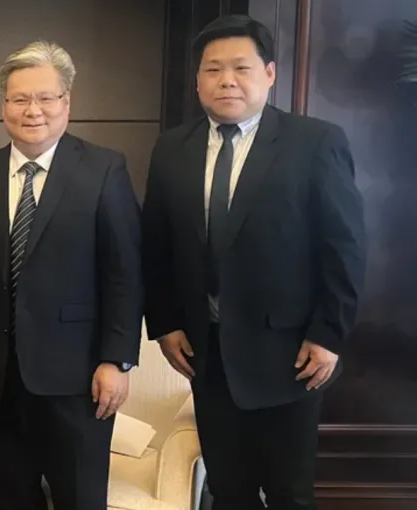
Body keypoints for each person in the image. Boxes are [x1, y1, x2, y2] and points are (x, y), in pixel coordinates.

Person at [142, 15, 366, 510]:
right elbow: (156, 245)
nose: (226, 80)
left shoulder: (315, 142)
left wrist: (328, 334)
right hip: (208, 353)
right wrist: (165, 323)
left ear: (269, 73)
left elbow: (344, 247)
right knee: (229, 490)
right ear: (197, 80)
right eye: (213, 69)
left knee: (289, 494)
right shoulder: (171, 148)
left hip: (291, 354)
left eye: (240, 68)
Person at [0, 40, 143, 510]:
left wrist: (117, 360)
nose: (32, 110)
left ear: (66, 102)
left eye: (45, 97)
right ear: (4, 106)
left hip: (79, 377)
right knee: (12, 496)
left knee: (79, 498)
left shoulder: (104, 168)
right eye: (19, 99)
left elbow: (125, 273)